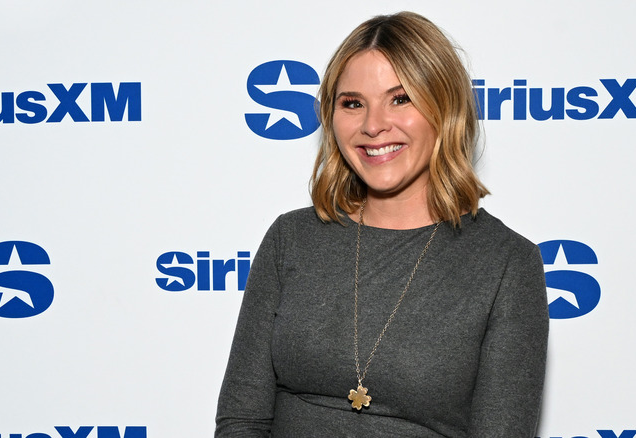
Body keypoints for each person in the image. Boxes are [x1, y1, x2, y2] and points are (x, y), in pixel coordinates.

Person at [216, 11, 548, 437]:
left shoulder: (506, 264)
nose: (373, 126)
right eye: (352, 103)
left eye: (401, 98)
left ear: (445, 108)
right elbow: (242, 421)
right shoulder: (292, 240)